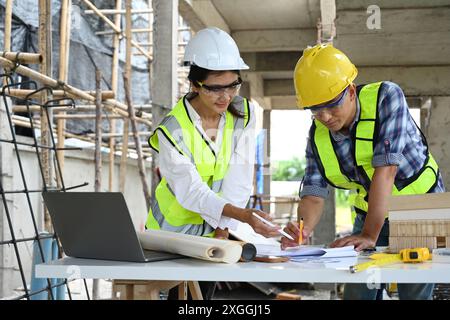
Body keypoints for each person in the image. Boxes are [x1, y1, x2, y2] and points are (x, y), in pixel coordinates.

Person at [281, 43, 445, 300]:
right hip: (369, 211)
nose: (324, 116)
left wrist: (369, 235)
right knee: (358, 289)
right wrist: (302, 231)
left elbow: (386, 170)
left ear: (350, 91)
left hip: (419, 209)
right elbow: (313, 193)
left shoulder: (386, 97)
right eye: (315, 109)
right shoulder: (318, 135)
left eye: (331, 105)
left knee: (413, 289)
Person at [146, 27, 281, 298]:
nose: (226, 96)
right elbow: (191, 191)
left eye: (233, 85)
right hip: (170, 237)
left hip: (213, 235)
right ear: (195, 85)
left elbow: (239, 178)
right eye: (215, 89)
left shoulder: (243, 114)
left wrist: (224, 228)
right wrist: (243, 216)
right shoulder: (172, 131)